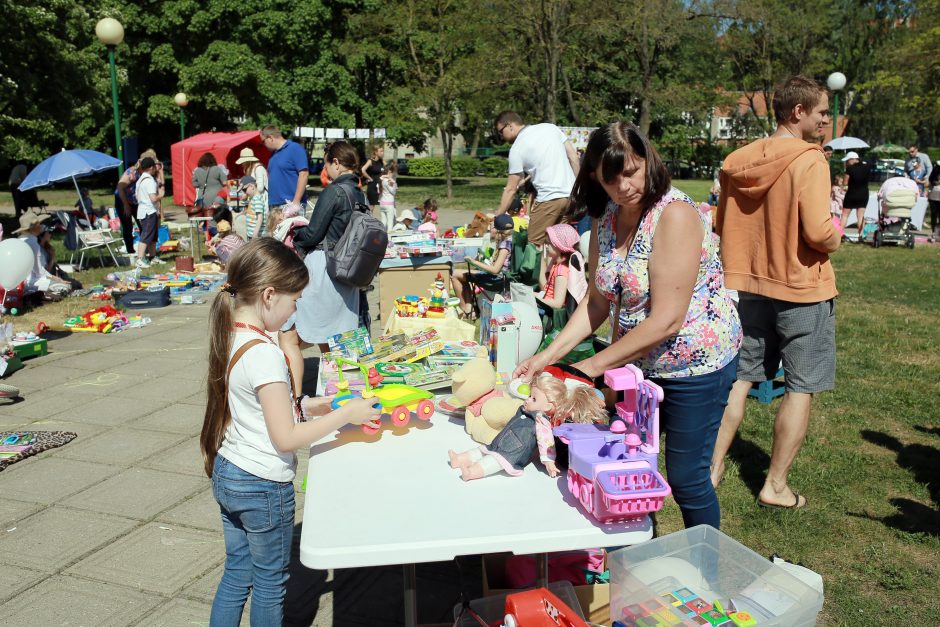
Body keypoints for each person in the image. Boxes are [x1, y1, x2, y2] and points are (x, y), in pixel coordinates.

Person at [514, 121, 742, 529]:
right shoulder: (606, 218)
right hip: (639, 366)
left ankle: (706, 570)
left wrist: (585, 369)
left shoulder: (674, 216)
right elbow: (597, 302)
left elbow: (667, 320)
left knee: (688, 479)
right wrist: (546, 357)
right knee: (628, 463)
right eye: (611, 178)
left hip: (695, 364)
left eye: (632, 171)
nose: (625, 186)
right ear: (596, 179)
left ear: (647, 160)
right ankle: (637, 555)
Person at [200, 238, 380, 626]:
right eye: (294, 300)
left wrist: (319, 406)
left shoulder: (233, 333)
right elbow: (285, 439)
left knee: (236, 573)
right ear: (269, 295)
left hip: (229, 470)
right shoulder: (266, 353)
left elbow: (262, 408)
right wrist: (347, 413)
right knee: (270, 582)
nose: (296, 310)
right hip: (261, 483)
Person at [711, 75, 841, 510]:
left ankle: (710, 468)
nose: (826, 120)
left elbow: (722, 223)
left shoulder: (736, 159)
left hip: (747, 286)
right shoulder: (811, 160)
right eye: (822, 112)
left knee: (740, 380)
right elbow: (819, 232)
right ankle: (776, 485)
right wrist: (837, 235)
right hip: (801, 287)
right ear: (797, 112)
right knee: (800, 387)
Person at [278, 141, 364, 393]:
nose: (326, 170)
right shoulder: (358, 193)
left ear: (336, 163)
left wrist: (293, 233)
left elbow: (314, 234)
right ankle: (338, 394)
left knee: (290, 337)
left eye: (327, 164)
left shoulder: (334, 191)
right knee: (334, 339)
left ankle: (295, 400)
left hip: (323, 271)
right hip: (347, 273)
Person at [447, 375, 606, 481]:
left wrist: (549, 461)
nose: (528, 400)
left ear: (548, 406)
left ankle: (472, 472)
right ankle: (460, 458)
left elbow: (546, 441)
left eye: (534, 398)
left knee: (496, 460)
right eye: (530, 395)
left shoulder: (542, 420)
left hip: (515, 451)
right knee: (484, 449)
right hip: (502, 440)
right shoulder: (527, 409)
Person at [493, 111, 580, 245]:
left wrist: (499, 214)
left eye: (500, 132)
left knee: (532, 247)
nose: (501, 137)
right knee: (558, 248)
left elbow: (511, 189)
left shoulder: (517, 148)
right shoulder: (551, 128)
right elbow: (573, 158)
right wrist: (579, 190)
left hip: (548, 200)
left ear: (509, 125)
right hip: (570, 198)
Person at [451, 213, 515, 320]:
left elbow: (495, 270)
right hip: (505, 278)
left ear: (499, 230)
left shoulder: (505, 245)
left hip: (498, 280)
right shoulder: (514, 240)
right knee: (460, 274)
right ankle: (469, 308)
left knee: (455, 274)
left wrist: (473, 262)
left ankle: (468, 311)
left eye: (493, 227)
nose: (490, 230)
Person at [14, 212, 72, 299]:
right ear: (35, 227)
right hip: (30, 283)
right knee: (66, 287)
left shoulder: (19, 240)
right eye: (39, 223)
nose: (41, 225)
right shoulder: (32, 241)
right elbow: (39, 272)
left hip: (17, 284)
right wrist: (57, 279)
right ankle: (41, 295)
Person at [116, 149, 160, 255]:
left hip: (136, 202)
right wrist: (126, 205)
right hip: (123, 200)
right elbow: (120, 187)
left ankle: (147, 252)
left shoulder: (147, 173)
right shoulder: (132, 172)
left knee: (144, 226)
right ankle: (130, 250)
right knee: (127, 226)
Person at [262, 126, 309, 216]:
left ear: (270, 138)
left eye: (263, 141)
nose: (264, 144)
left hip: (290, 205)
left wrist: (296, 202)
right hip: (274, 206)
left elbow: (304, 174)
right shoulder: (273, 155)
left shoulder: (295, 148)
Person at [536, 223, 580, 310]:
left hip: (549, 312)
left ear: (560, 246)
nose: (546, 246)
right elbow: (547, 291)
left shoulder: (561, 271)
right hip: (546, 302)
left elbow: (557, 303)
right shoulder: (556, 264)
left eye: (549, 243)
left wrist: (535, 298)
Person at [134, 157, 165, 269]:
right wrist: (161, 194)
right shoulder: (149, 181)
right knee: (146, 236)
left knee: (152, 236)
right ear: (151, 167)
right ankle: (140, 259)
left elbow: (137, 197)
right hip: (149, 211)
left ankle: (152, 257)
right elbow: (153, 198)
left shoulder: (140, 180)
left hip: (144, 210)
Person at [841, 151, 871, 242]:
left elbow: (845, 182)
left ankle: (839, 234)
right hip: (863, 193)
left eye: (847, 160)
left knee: (845, 215)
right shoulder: (866, 167)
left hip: (851, 193)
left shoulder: (850, 169)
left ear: (852, 159)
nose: (846, 163)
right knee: (860, 216)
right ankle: (861, 236)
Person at [241, 176, 268, 240]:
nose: (245, 193)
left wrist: (255, 233)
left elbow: (260, 218)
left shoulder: (257, 199)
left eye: (245, 190)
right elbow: (252, 211)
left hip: (257, 235)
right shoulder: (253, 198)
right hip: (251, 233)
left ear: (252, 186)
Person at [361, 144, 385, 213]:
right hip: (372, 186)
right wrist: (369, 178)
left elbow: (387, 169)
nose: (382, 153)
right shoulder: (370, 161)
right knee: (370, 207)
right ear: (376, 152)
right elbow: (363, 170)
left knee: (382, 206)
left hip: (380, 187)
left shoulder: (382, 161)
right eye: (381, 151)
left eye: (383, 151)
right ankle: (367, 220)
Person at [378, 161, 398, 231]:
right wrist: (394, 184)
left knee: (383, 221)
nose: (394, 174)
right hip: (389, 204)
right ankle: (389, 239)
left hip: (382, 203)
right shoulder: (388, 181)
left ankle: (382, 235)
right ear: (389, 172)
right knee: (390, 222)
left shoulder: (382, 179)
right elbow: (393, 192)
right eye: (393, 172)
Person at [830, 173, 847, 237]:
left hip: (838, 205)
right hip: (834, 205)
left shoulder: (839, 188)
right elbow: (837, 195)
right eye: (840, 181)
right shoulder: (835, 188)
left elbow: (841, 193)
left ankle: (838, 230)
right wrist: (845, 197)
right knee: (835, 217)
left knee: (838, 217)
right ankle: (836, 229)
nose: (841, 182)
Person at [928, 162, 940, 241]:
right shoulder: (935, 172)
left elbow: (930, 179)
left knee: (934, 215)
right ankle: (934, 232)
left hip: (933, 194)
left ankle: (935, 232)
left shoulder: (934, 170)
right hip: (934, 195)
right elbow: (931, 180)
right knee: (934, 215)